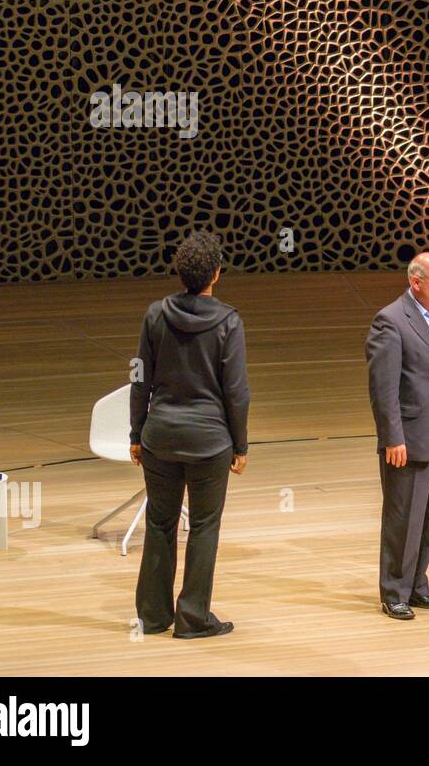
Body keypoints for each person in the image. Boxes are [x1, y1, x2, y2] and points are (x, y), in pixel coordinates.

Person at [130, 231, 249, 638]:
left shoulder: (154, 315)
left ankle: (152, 616)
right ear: (216, 273)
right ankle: (193, 618)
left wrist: (135, 432)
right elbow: (237, 391)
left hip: (159, 436)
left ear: (180, 272)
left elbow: (139, 380)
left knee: (160, 524)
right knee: (203, 527)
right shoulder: (228, 321)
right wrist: (240, 444)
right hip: (210, 442)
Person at [365, 252, 429, 620]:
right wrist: (393, 437)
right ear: (416, 283)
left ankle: (416, 586)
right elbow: (384, 388)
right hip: (407, 438)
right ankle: (393, 590)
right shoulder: (390, 321)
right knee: (402, 517)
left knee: (428, 515)